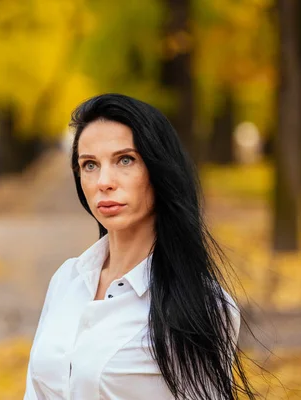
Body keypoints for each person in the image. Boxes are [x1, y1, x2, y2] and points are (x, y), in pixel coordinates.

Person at [23, 94, 255, 399]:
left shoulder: (202, 303)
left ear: (158, 171)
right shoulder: (67, 279)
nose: (104, 181)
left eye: (125, 160)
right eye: (90, 164)